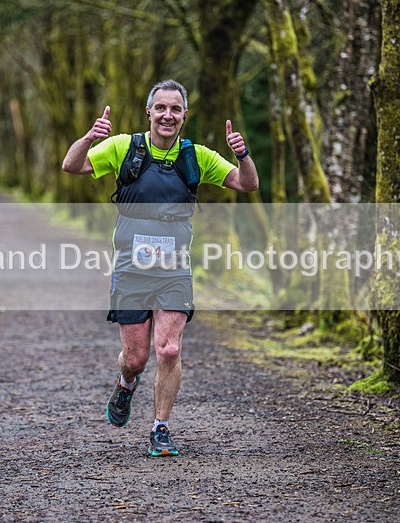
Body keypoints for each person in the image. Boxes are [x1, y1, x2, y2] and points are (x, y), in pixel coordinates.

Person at [61, 79, 258, 456]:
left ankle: (161, 427)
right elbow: (72, 165)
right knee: (136, 358)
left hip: (174, 269)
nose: (168, 115)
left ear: (185, 115)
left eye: (176, 109)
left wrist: (243, 154)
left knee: (168, 350)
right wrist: (89, 137)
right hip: (131, 269)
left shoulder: (196, 155)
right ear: (148, 112)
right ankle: (125, 383)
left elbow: (246, 184)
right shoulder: (123, 147)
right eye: (161, 108)